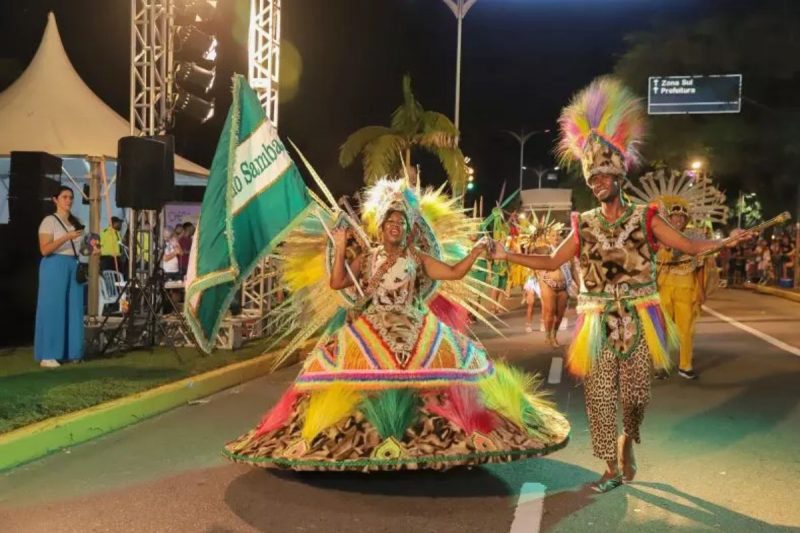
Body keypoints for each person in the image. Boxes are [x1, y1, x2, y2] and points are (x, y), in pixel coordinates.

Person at [492, 77, 753, 492]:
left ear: (617, 176)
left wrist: (725, 240)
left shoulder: (645, 217)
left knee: (636, 399)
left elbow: (687, 244)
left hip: (640, 316)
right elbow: (552, 260)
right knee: (598, 398)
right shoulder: (584, 223)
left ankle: (627, 439)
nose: (596, 185)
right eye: (591, 180)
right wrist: (508, 255)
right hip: (596, 320)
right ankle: (609, 468)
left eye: (602, 178)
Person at [224, 178, 570, 471]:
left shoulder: (417, 259)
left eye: (401, 222)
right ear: (381, 226)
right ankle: (346, 437)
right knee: (328, 360)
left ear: (408, 229)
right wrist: (342, 248)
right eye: (390, 221)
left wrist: (478, 250)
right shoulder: (368, 258)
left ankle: (435, 435)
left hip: (413, 322)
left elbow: (451, 273)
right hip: (371, 325)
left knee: (459, 358)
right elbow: (337, 283)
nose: (395, 226)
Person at [626, 168, 729, 381]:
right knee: (661, 329)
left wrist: (701, 289)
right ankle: (661, 365)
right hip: (662, 288)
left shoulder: (695, 236)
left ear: (687, 219)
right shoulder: (657, 237)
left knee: (686, 330)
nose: (679, 221)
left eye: (682, 217)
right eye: (675, 217)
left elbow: (704, 259)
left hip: (686, 288)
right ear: (668, 218)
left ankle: (685, 365)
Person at [35, 186, 98, 368]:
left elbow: (81, 248)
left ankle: (73, 351)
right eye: (65, 197)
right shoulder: (49, 221)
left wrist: (92, 250)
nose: (69, 200)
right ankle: (48, 354)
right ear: (56, 200)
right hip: (54, 265)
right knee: (53, 308)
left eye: (71, 197)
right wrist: (66, 237)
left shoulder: (75, 222)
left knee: (74, 308)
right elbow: (45, 249)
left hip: (74, 265)